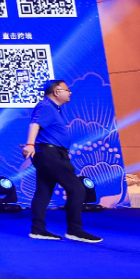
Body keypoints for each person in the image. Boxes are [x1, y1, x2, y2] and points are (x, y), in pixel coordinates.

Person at [24, 80, 102, 243]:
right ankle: (75, 230)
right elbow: (35, 125)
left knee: (44, 191)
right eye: (67, 90)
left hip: (48, 152)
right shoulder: (46, 106)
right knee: (77, 188)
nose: (70, 92)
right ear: (56, 92)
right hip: (51, 154)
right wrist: (30, 144)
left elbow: (43, 130)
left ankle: (38, 229)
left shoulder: (52, 108)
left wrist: (37, 144)